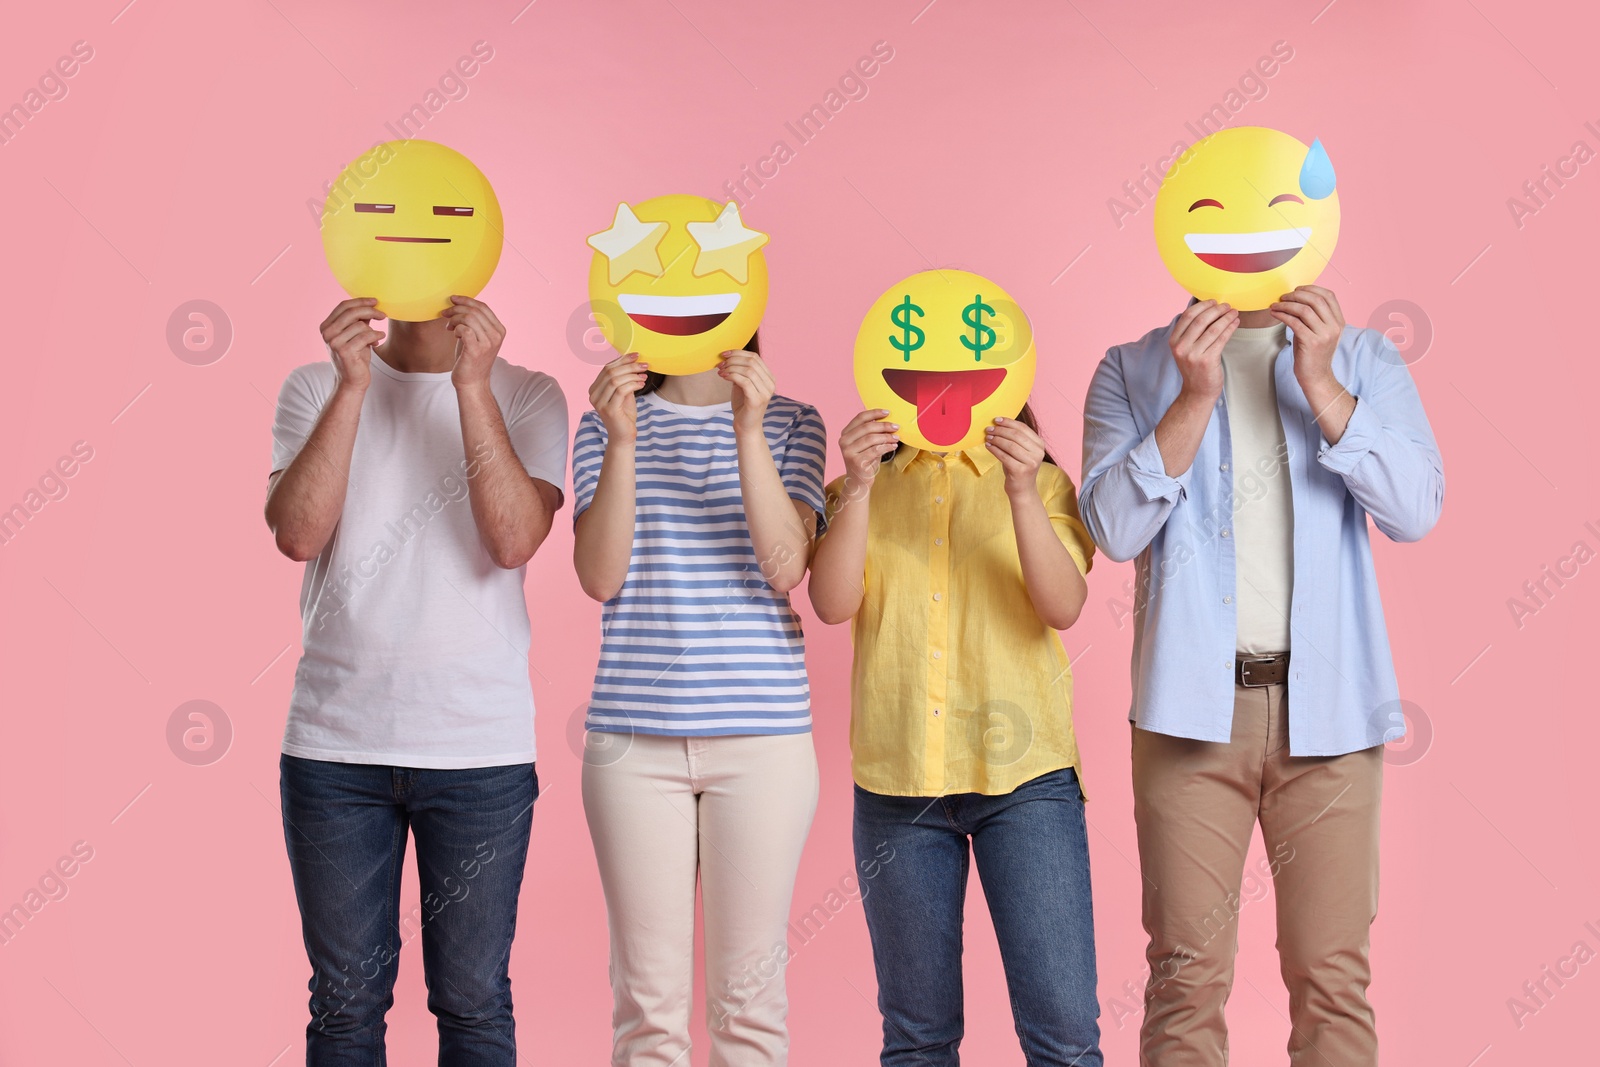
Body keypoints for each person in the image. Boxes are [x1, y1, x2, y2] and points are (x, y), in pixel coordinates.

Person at [1078, 287, 1444, 1066]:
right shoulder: (1133, 369)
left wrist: (1321, 382)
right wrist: (1195, 395)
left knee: (1333, 979)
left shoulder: (1363, 359)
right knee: (1184, 978)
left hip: (1333, 715)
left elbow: (1414, 509)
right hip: (1188, 718)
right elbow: (1111, 529)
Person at [266, 295, 567, 1064]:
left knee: (472, 1000)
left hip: (479, 754)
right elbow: (297, 533)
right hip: (335, 751)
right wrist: (352, 387)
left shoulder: (528, 392)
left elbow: (511, 539)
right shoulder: (314, 385)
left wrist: (472, 387)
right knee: (344, 1005)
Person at [808, 404, 1103, 1067]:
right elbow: (830, 603)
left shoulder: (1043, 481)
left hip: (1027, 784)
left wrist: (1023, 490)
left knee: (1064, 1037)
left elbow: (1065, 604)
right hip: (898, 786)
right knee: (918, 1040)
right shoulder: (862, 483)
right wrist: (855, 486)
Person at [572, 335, 827, 1067]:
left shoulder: (790, 421)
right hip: (631, 743)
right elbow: (598, 576)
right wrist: (621, 440)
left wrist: (748, 428)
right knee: (647, 1014)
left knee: (748, 1011)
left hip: (764, 740)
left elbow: (785, 568)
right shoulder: (603, 419)